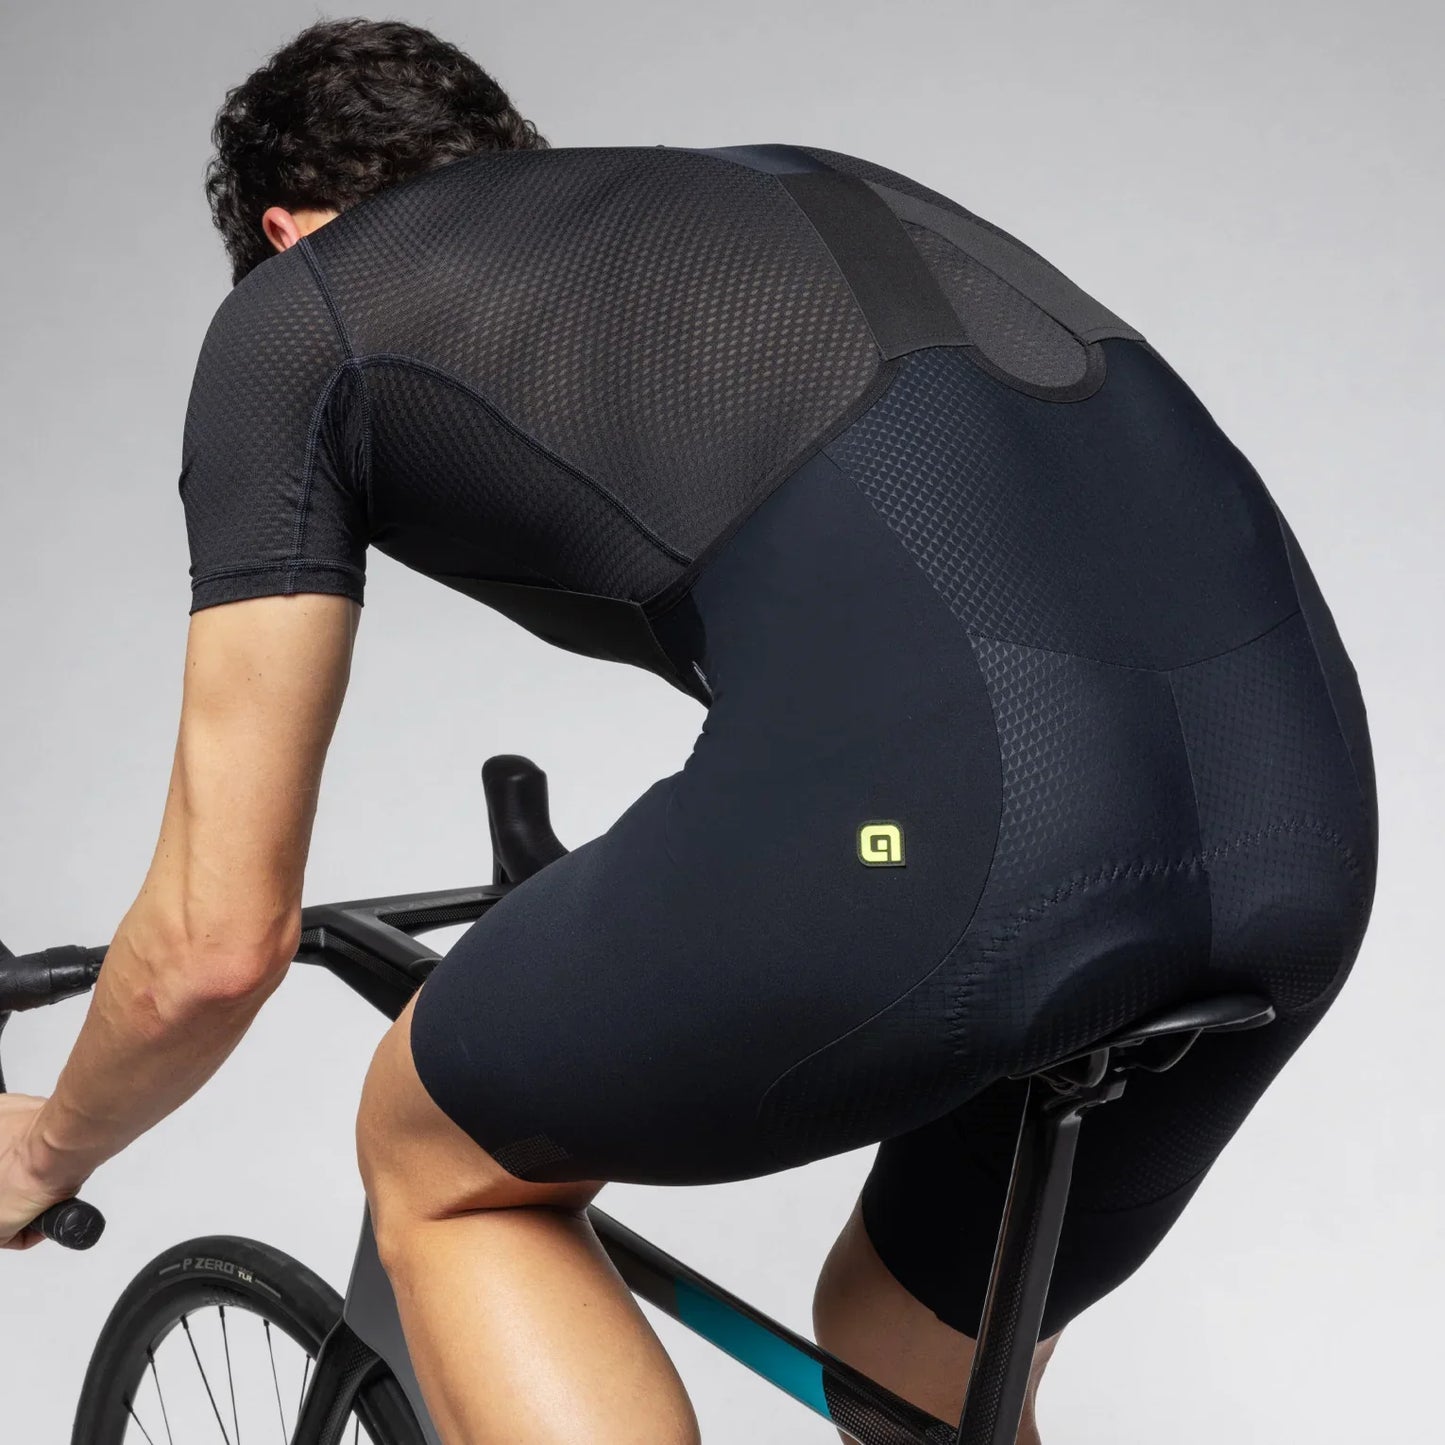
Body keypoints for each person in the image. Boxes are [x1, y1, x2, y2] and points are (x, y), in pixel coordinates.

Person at [0, 17, 1377, 1445]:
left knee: (435, 1153)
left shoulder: (304, 310)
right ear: (506, 159)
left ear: (288, 233)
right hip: (1300, 822)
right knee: (909, 1340)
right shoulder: (776, 187)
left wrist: (42, 1147)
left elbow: (215, 944)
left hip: (952, 829)